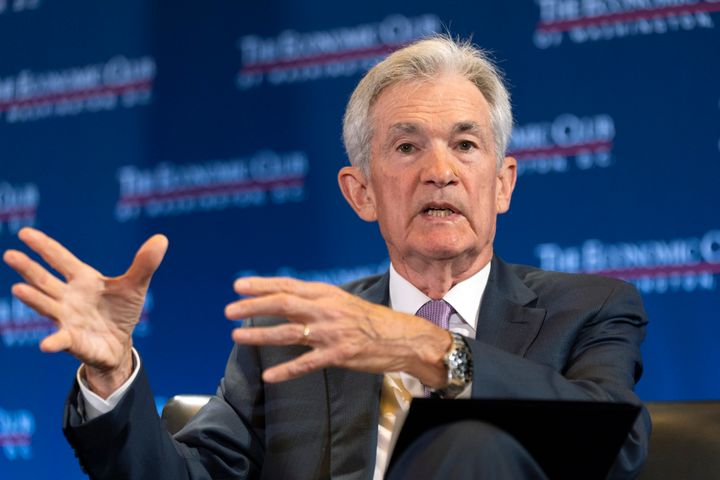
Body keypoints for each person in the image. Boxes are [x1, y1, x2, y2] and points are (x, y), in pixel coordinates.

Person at [3, 36, 650, 479]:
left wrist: (426, 350)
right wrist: (113, 375)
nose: (440, 172)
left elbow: (614, 441)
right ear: (360, 191)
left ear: (503, 180)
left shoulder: (591, 309)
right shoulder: (288, 339)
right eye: (406, 147)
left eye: (465, 145)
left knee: (472, 440)